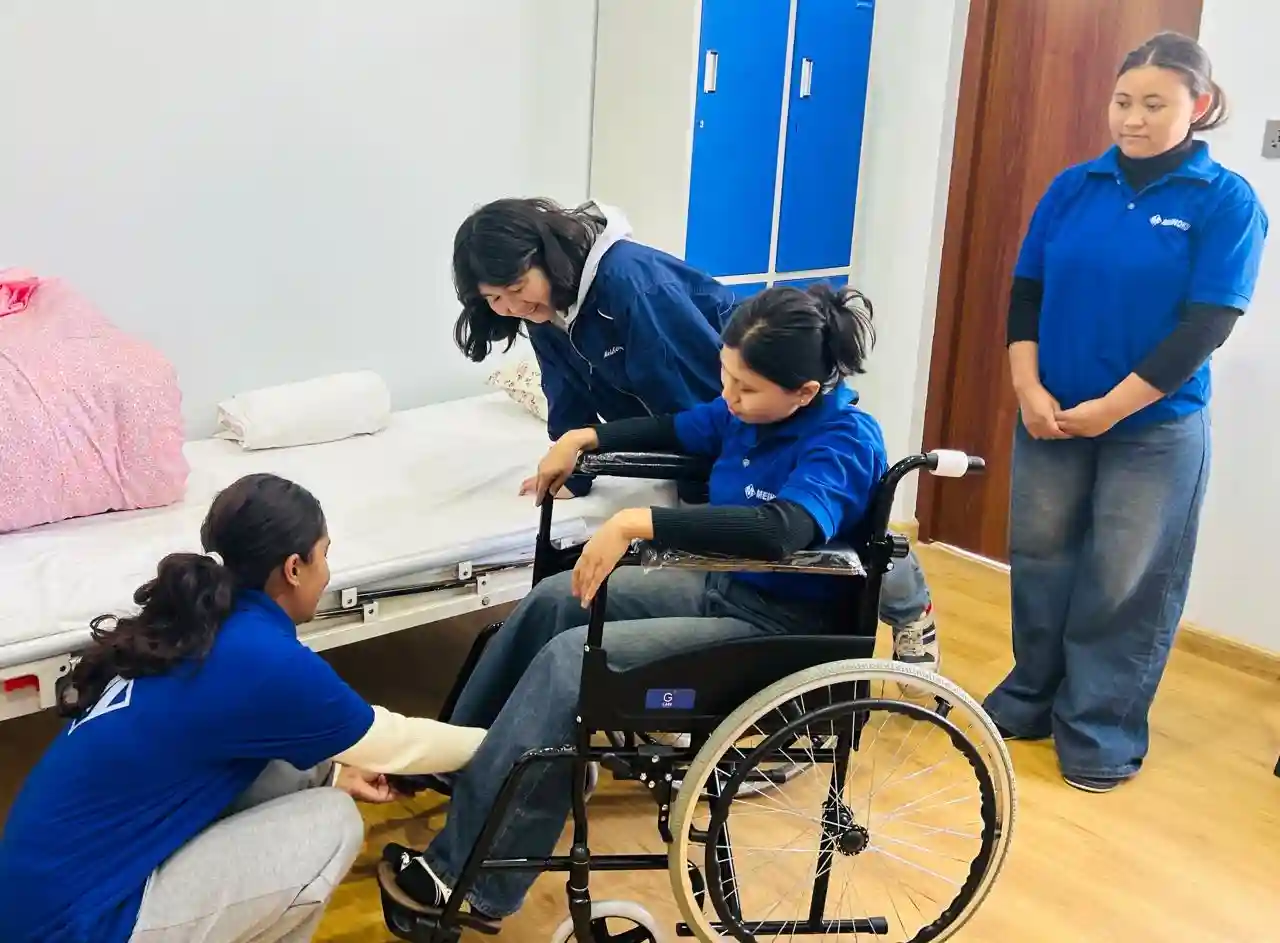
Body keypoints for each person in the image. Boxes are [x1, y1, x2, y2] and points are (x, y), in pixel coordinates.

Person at [384, 282, 889, 928]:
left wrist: (637, 522)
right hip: (724, 587)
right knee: (554, 602)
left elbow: (780, 530)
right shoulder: (750, 411)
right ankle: (464, 763)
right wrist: (584, 438)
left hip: (779, 632)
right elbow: (682, 428)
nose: (729, 398)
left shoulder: (843, 441)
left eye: (745, 389)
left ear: (805, 394)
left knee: (574, 664)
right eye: (725, 377)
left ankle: (469, 878)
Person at [452, 197, 943, 675]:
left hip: (777, 594)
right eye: (495, 299)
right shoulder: (725, 407)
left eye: (516, 288)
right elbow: (666, 417)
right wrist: (581, 449)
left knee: (860, 523)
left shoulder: (636, 290)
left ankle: (911, 609)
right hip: (733, 560)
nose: (512, 307)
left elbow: (702, 410)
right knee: (553, 605)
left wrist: (649, 518)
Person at [0, 474, 488, 943]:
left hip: (35, 905)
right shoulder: (260, 657)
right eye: (324, 557)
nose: (327, 573)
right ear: (294, 568)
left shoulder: (195, 624)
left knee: (298, 778)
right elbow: (397, 742)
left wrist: (332, 774)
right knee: (332, 823)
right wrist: (506, 739)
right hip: (81, 927)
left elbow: (232, 757)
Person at [983, 31, 1268, 793]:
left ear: (1198, 106)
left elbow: (1207, 323)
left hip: (1151, 428)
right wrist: (1028, 388)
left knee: (1126, 578)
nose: (1132, 118)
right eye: (1122, 101)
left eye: (1154, 104)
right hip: (1050, 414)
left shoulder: (1227, 202)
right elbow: (1027, 294)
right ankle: (1031, 697)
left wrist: (1111, 407)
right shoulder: (1074, 187)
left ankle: (1100, 728)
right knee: (1041, 561)